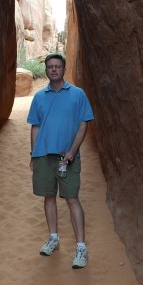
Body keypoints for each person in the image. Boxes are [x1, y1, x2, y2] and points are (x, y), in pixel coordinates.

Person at [27, 53, 94, 269]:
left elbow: (84, 123)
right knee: (48, 197)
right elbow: (35, 126)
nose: (54, 69)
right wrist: (33, 154)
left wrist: (73, 151)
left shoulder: (78, 94)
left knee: (72, 198)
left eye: (57, 66)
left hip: (67, 157)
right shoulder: (39, 97)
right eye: (50, 67)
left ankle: (81, 247)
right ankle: (53, 238)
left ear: (63, 69)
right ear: (46, 70)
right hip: (44, 156)